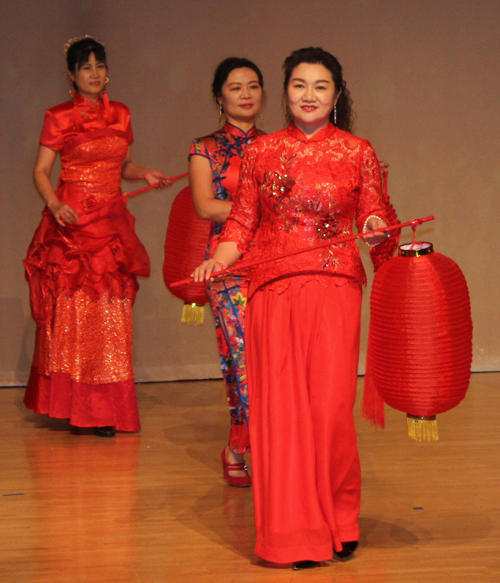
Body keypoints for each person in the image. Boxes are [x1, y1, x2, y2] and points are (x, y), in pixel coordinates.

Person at [193, 47, 398, 568]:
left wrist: (375, 228)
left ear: (336, 94)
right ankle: (294, 532)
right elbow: (241, 222)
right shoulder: (260, 154)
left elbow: (375, 212)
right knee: (281, 417)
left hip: (334, 290)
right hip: (272, 291)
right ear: (286, 92)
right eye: (300, 85)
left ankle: (340, 517)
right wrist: (218, 259)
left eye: (320, 86)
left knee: (329, 413)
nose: (309, 95)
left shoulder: (358, 151)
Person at [24, 36, 170, 437]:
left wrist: (146, 174)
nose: (94, 73)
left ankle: (103, 409)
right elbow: (40, 171)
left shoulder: (121, 113)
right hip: (72, 221)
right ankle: (72, 406)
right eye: (86, 67)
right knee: (73, 316)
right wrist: (54, 204)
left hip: (110, 222)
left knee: (109, 317)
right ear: (72, 75)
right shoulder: (57, 116)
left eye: (99, 65)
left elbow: (121, 166)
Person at [189, 58, 265, 487]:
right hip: (227, 265)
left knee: (274, 362)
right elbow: (204, 206)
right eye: (235, 87)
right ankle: (254, 449)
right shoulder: (205, 148)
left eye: (253, 86)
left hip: (274, 263)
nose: (246, 94)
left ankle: (242, 448)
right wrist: (255, 214)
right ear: (220, 96)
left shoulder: (278, 145)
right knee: (243, 362)